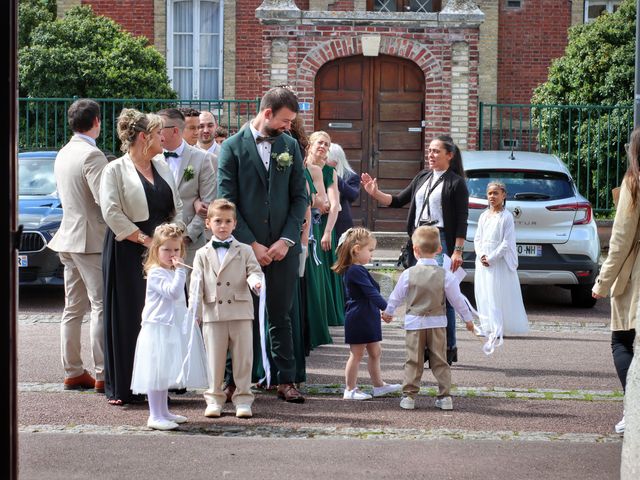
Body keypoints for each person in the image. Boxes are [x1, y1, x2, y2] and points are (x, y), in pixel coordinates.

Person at [217, 86, 307, 403]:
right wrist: (250, 244)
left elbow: (300, 198)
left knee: (281, 315)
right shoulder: (231, 147)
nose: (288, 126)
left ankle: (286, 379)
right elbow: (226, 202)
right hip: (243, 250)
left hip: (282, 249)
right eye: (284, 120)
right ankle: (231, 381)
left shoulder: (291, 147)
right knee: (241, 316)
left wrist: (286, 240)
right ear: (267, 113)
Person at [100, 108, 185, 406]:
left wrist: (175, 236)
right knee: (130, 315)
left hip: (162, 252)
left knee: (162, 317)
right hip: (128, 250)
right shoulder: (115, 170)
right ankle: (124, 386)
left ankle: (159, 385)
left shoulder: (161, 165)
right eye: (158, 133)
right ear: (142, 137)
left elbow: (177, 205)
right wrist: (146, 240)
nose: (164, 137)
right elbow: (111, 212)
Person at [361, 135, 469, 365]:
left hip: (440, 240)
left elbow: (462, 219)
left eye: (436, 151)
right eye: (429, 151)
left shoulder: (456, 183)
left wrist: (458, 250)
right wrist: (375, 193)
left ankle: (447, 347)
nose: (430, 155)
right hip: (417, 240)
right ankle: (423, 348)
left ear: (450, 155)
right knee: (418, 292)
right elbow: (399, 200)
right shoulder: (422, 176)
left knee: (443, 295)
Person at [48, 98, 109, 393]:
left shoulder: (63, 152)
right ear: (96, 121)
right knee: (100, 305)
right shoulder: (92, 155)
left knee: (72, 308)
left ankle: (72, 370)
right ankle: (102, 372)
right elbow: (103, 200)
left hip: (67, 236)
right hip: (90, 239)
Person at [382, 226, 475, 410]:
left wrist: (389, 311)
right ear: (439, 249)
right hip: (438, 322)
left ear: (415, 250)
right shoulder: (445, 275)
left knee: (413, 360)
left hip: (414, 323)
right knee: (439, 360)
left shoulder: (408, 274)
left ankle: (409, 396)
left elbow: (396, 296)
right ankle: (445, 396)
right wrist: (468, 319)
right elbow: (457, 300)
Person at [130, 223, 208, 430]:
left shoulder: (171, 270)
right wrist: (181, 271)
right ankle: (154, 415)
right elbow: (172, 293)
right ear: (156, 250)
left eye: (176, 250)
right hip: (158, 326)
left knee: (164, 371)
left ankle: (164, 411)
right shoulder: (156, 272)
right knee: (156, 372)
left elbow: (180, 301)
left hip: (171, 325)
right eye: (166, 250)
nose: (172, 254)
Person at [190, 199, 263, 419]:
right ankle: (214, 399)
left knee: (243, 359)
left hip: (240, 311)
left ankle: (243, 399)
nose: (223, 225)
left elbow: (254, 271)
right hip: (214, 311)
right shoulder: (202, 253)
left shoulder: (245, 250)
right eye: (218, 221)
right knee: (214, 360)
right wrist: (194, 311)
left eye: (227, 221)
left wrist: (255, 282)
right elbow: (196, 283)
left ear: (234, 224)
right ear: (208, 223)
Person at [592, 127, 640, 435]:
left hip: (636, 277)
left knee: (621, 339)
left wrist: (602, 282)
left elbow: (620, 241)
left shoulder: (634, 184)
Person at [332, 227, 401, 400]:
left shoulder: (357, 270)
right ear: (356, 250)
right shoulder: (355, 270)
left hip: (366, 315)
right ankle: (350, 389)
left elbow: (367, 295)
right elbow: (371, 292)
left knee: (375, 351)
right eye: (369, 250)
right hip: (359, 317)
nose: (372, 255)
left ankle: (378, 386)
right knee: (356, 354)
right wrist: (387, 309)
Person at [155, 108, 216, 282]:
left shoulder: (203, 159)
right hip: (157, 243)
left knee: (191, 296)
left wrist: (186, 236)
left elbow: (208, 203)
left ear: (175, 130)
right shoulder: (152, 159)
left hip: (189, 243)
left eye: (160, 128)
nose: (156, 133)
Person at [474, 181, 528, 349]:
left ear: (503, 195)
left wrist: (492, 257)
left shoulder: (506, 217)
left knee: (496, 291)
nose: (492, 197)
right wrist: (482, 255)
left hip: (498, 260)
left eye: (496, 193)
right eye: (490, 193)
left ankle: (498, 326)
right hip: (483, 258)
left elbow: (506, 242)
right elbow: (477, 238)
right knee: (484, 291)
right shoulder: (484, 216)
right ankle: (487, 325)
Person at [305, 131, 345, 328]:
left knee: (324, 270)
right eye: (319, 143)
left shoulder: (330, 172)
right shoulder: (303, 168)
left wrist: (328, 232)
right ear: (310, 145)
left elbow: (334, 204)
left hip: (323, 226)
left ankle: (327, 314)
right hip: (307, 224)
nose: (323, 147)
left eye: (326, 144)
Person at [327, 143, 360, 242]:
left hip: (341, 221)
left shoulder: (350, 176)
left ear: (336, 161)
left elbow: (353, 195)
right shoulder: (319, 173)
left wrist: (335, 178)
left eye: (327, 158)